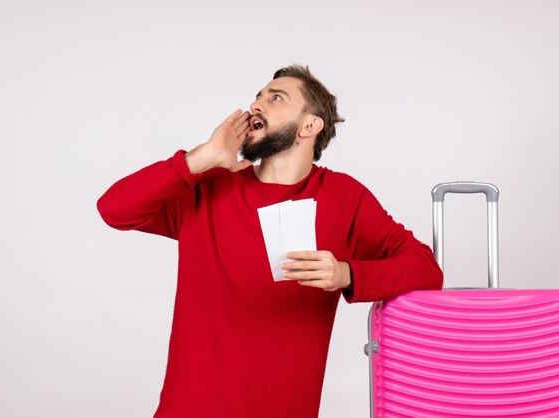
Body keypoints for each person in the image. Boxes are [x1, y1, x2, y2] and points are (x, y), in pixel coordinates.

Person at [97, 65, 443, 418]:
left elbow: (426, 270)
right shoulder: (208, 185)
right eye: (258, 96)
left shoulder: (343, 198)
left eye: (275, 97)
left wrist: (346, 274)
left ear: (310, 126)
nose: (256, 104)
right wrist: (201, 157)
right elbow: (114, 210)